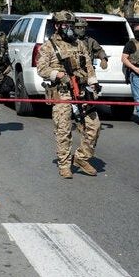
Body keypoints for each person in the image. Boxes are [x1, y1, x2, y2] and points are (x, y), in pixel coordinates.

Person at [37, 10, 101, 179]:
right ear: (57, 26)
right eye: (66, 25)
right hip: (62, 93)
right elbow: (41, 69)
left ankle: (81, 157)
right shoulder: (49, 46)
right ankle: (64, 164)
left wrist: (93, 82)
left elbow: (88, 65)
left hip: (82, 92)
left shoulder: (79, 44)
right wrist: (58, 75)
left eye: (71, 25)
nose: (70, 29)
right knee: (63, 130)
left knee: (94, 126)